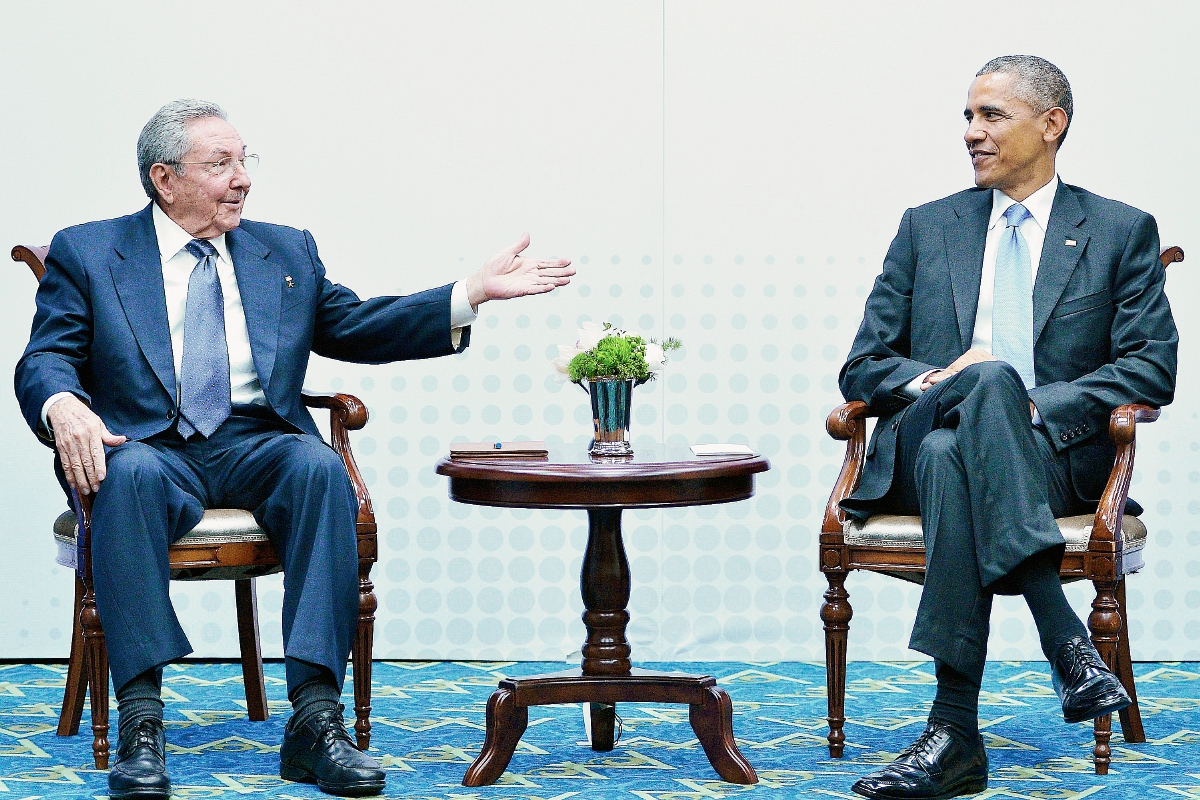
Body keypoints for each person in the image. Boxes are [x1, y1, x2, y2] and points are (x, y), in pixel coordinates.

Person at [14, 99, 574, 799]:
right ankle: (141, 721)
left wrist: (466, 295)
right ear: (164, 178)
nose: (243, 178)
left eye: (245, 160)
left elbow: (356, 326)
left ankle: (314, 719)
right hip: (148, 447)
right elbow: (46, 358)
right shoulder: (91, 251)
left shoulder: (284, 250)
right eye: (221, 164)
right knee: (125, 477)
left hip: (255, 441)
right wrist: (61, 401)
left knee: (317, 467)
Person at [838, 56, 1177, 800]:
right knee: (979, 383)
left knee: (948, 452)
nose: (971, 133)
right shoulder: (929, 227)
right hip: (942, 417)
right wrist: (936, 381)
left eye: (991, 116)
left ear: (1051, 124)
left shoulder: (1119, 231)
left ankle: (954, 734)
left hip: (1051, 455)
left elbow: (1152, 372)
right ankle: (1066, 641)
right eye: (967, 116)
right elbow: (863, 366)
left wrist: (1032, 405)